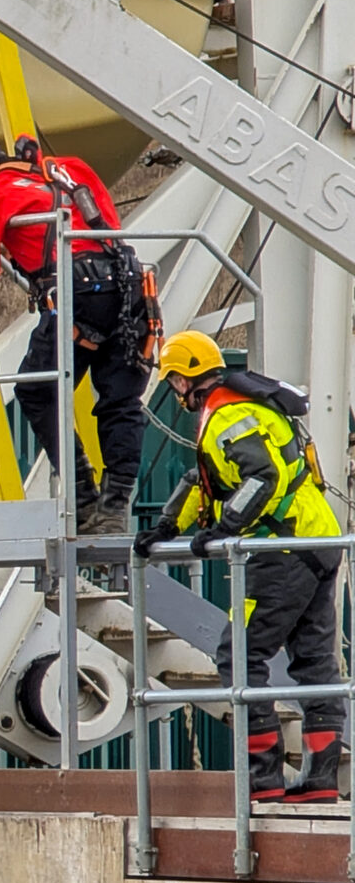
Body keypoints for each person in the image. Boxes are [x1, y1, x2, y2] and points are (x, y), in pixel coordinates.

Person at [137, 331, 346, 801]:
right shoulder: (245, 406)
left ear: (184, 378)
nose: (174, 391)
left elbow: (261, 476)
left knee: (239, 655)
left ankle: (263, 776)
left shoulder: (229, 414)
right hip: (317, 539)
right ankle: (320, 780)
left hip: (283, 548)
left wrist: (226, 525)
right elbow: (205, 479)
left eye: (173, 381)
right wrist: (168, 525)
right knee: (314, 663)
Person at [0, 114, 154, 534]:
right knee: (120, 402)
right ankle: (113, 508)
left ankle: (83, 494)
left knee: (36, 391)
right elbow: (107, 221)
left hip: (79, 297)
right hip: (129, 290)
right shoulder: (67, 170)